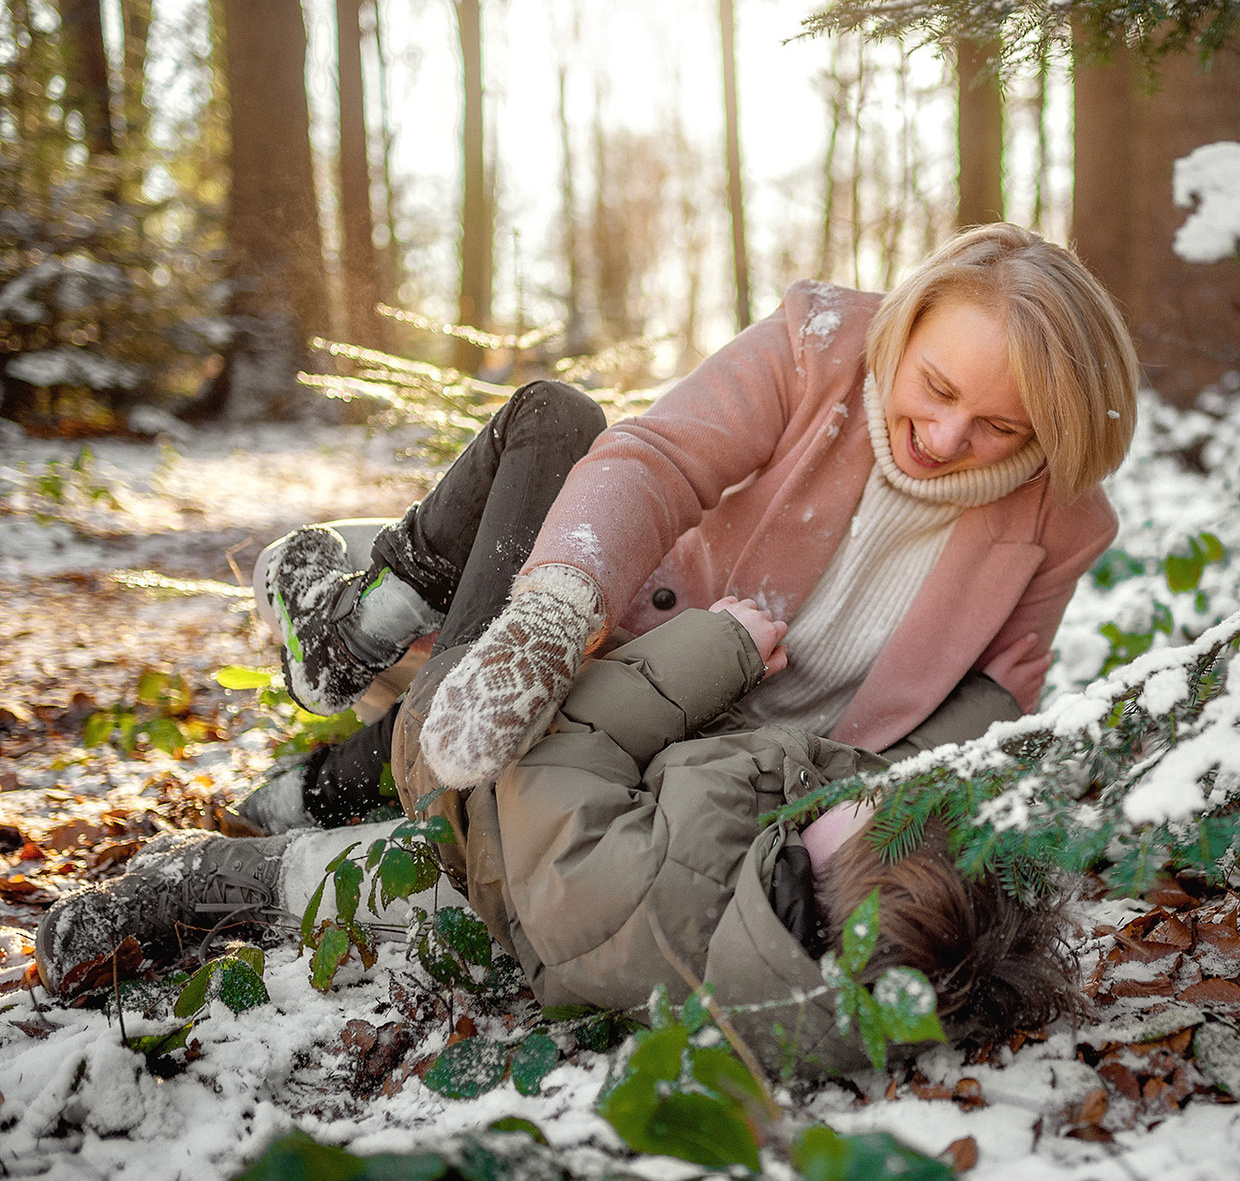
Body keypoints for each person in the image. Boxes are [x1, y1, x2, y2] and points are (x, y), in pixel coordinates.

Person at [242, 223, 1137, 834]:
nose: (944, 438)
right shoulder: (822, 343)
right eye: (936, 388)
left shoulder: (1064, 522)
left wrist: (856, 807)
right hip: (634, 646)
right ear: (906, 327)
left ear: (1049, 433)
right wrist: (555, 615)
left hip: (746, 764)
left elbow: (993, 700)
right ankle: (355, 680)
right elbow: (659, 461)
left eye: (1000, 427)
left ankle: (336, 784)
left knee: (504, 778)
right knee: (542, 437)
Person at [35, 597, 1081, 1070]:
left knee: (304, 879)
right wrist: (996, 693)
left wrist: (714, 650)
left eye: (870, 814)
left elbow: (554, 764)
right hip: (531, 857)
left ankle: (172, 884)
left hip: (476, 814)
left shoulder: (667, 888)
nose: (866, 788)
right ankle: (302, 794)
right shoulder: (802, 951)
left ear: (827, 875)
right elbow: (891, 779)